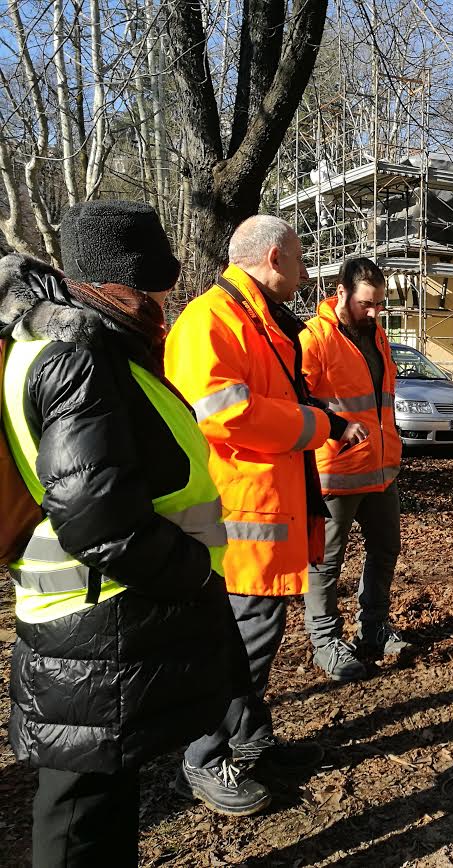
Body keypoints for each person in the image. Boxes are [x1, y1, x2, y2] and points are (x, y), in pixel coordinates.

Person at [0, 202, 242, 865]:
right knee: (83, 814)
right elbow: (96, 517)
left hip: (98, 619)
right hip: (94, 620)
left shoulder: (91, 344)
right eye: (157, 282)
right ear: (120, 281)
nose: (166, 297)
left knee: (99, 801)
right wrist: (192, 569)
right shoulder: (78, 356)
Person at [165, 215, 365, 815]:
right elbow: (225, 414)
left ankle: (251, 743)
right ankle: (202, 762)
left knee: (257, 636)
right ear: (275, 257)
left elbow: (270, 402)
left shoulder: (257, 321)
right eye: (302, 261)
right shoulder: (212, 319)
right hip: (239, 519)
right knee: (244, 643)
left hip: (264, 514)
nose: (306, 275)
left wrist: (315, 419)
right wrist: (320, 425)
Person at [299, 257, 408, 681]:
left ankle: (374, 628)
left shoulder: (376, 335)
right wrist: (337, 427)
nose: (375, 312)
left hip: (382, 470)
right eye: (367, 303)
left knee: (385, 550)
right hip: (336, 472)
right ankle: (325, 642)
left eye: (380, 304)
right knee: (326, 564)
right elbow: (297, 399)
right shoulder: (314, 338)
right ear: (341, 292)